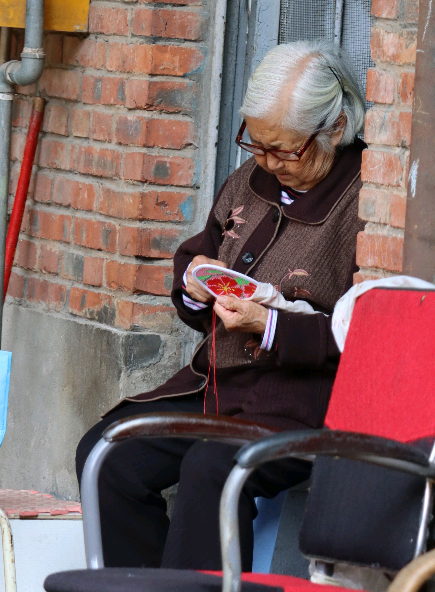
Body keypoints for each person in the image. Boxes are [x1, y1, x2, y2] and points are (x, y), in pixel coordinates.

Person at [75, 40, 367, 572]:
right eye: (256, 145)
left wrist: (272, 326)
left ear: (337, 129)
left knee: (213, 469)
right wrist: (194, 285)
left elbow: (368, 334)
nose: (267, 161)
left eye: (284, 150)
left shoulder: (366, 200)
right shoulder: (251, 180)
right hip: (215, 387)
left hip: (299, 402)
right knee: (108, 452)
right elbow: (202, 252)